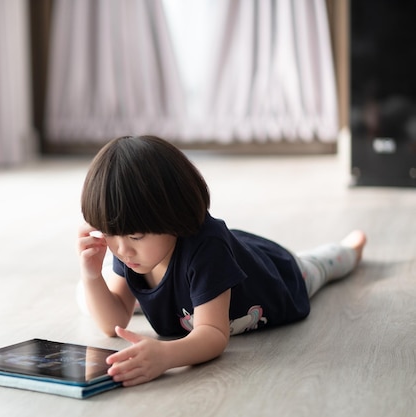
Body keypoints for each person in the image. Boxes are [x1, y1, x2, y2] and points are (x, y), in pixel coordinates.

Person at [77, 135, 366, 388]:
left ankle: (348, 248)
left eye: (136, 237)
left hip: (279, 275)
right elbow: (112, 323)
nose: (122, 250)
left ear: (173, 217)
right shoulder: (128, 250)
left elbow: (213, 334)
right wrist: (92, 277)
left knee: (319, 266)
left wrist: (166, 355)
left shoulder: (206, 249)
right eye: (111, 234)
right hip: (216, 269)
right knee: (132, 292)